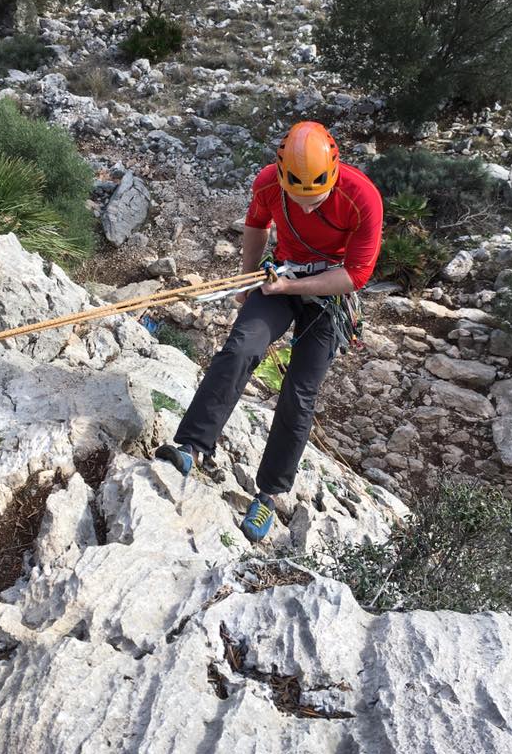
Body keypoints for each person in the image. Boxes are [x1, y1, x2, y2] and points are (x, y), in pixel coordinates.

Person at [156, 120, 383, 542]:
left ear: (333, 175)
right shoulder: (267, 185)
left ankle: (268, 496)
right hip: (279, 276)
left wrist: (289, 286)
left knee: (299, 392)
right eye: (299, 198)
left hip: (327, 293)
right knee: (240, 349)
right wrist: (247, 281)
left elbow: (354, 276)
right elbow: (257, 226)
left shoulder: (362, 198)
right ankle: (191, 447)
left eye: (316, 197)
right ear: (282, 179)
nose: (308, 205)